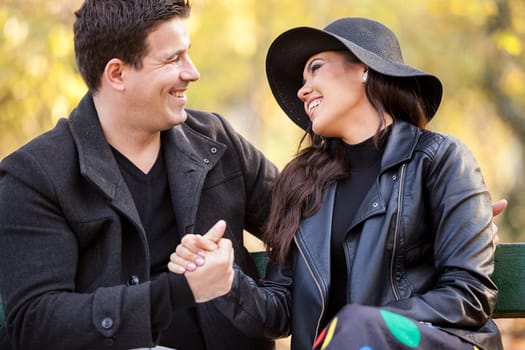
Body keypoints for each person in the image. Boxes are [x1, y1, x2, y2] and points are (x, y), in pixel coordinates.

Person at [170, 17, 504, 350]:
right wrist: (226, 281)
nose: (302, 90)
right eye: (302, 80)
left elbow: (469, 294)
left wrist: (363, 326)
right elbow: (281, 311)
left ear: (365, 69)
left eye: (315, 68)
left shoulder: (440, 159)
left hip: (429, 344)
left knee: (353, 325)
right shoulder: (301, 185)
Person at [0, 1, 279, 349]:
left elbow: (303, 218)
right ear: (117, 74)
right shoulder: (33, 176)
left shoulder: (216, 140)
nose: (191, 72)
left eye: (187, 54)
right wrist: (180, 291)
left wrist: (262, 299)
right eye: (172, 59)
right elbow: (36, 322)